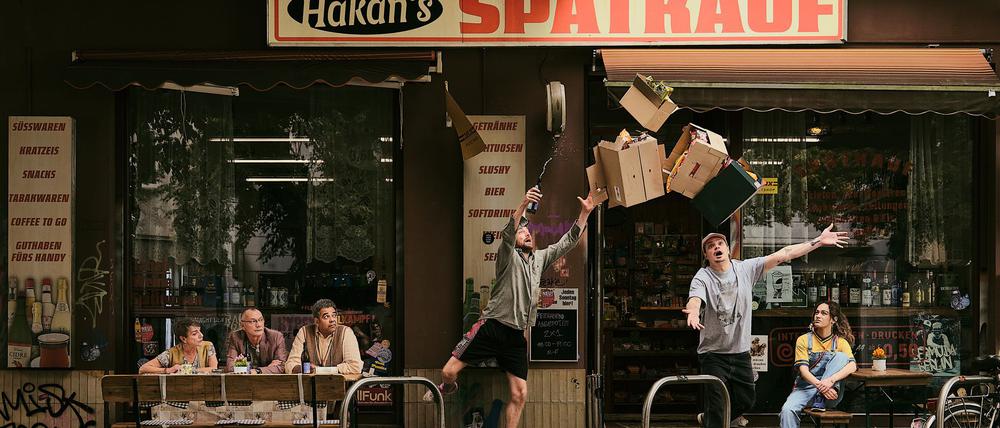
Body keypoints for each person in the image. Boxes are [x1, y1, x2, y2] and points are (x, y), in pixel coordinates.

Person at [424, 187, 600, 428]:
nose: (526, 233)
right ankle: (447, 388)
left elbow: (567, 242)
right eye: (522, 232)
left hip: (516, 336)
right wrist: (523, 204)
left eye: (528, 231)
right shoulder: (507, 257)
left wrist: (585, 213)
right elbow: (508, 232)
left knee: (520, 394)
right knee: (448, 372)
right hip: (491, 327)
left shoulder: (539, 259)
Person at [684, 225, 849, 428]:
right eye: (710, 246)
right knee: (717, 402)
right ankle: (714, 420)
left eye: (720, 244)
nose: (716, 248)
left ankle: (708, 420)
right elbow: (695, 298)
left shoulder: (745, 269)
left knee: (746, 400)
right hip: (713, 353)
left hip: (740, 351)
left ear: (728, 249)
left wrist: (817, 242)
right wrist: (693, 311)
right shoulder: (703, 277)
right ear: (707, 255)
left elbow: (784, 253)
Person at [779, 302, 857, 428]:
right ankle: (819, 397)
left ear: (833, 320)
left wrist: (830, 381)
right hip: (805, 390)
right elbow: (803, 371)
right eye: (817, 312)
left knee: (842, 357)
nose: (818, 316)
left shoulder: (840, 342)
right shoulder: (804, 340)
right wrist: (821, 387)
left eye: (824, 313)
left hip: (830, 394)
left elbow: (852, 366)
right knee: (787, 410)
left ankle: (820, 398)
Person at [284, 299, 363, 374]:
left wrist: (320, 370)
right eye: (326, 317)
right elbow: (290, 365)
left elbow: (355, 366)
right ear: (317, 321)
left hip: (339, 385)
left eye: (334, 315)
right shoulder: (304, 332)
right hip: (309, 385)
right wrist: (303, 368)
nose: (332, 320)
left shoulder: (345, 332)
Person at [140, 318, 219, 374]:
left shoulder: (207, 346)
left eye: (200, 331)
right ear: (184, 339)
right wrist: (167, 370)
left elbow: (214, 369)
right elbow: (143, 369)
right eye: (195, 334)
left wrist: (189, 371)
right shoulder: (171, 353)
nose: (201, 335)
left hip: (204, 391)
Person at [225, 307, 288, 374]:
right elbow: (230, 367)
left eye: (261, 320)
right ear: (242, 325)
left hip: (270, 382)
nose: (258, 325)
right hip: (244, 382)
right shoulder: (236, 337)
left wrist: (257, 371)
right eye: (253, 321)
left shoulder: (276, 337)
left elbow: (280, 367)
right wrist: (267, 368)